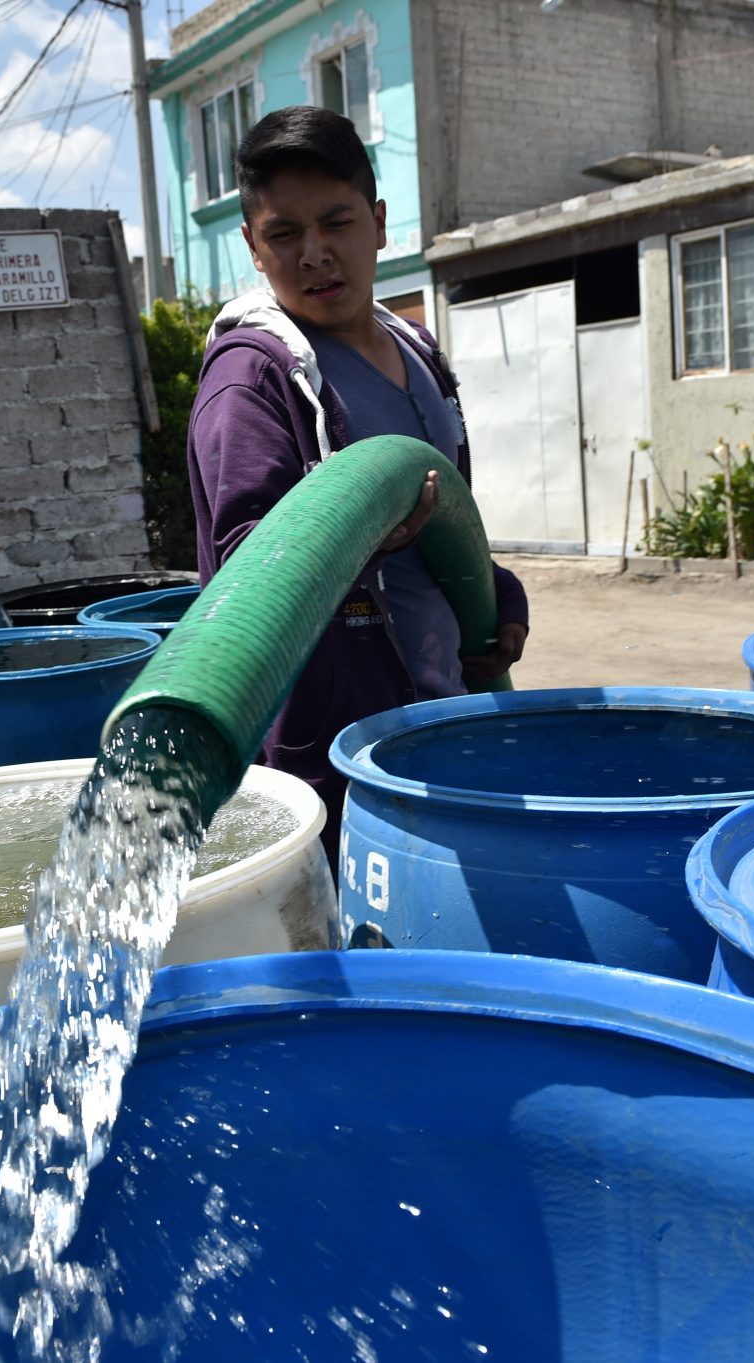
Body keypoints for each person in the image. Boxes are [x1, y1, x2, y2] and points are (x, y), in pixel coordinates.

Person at [186, 104, 529, 849]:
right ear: (253, 245)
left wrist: (492, 588)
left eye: (336, 223)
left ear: (377, 222)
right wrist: (361, 538)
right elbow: (252, 570)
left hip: (444, 717)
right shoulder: (254, 380)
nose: (314, 253)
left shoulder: (420, 352)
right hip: (339, 757)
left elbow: (448, 509)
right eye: (284, 233)